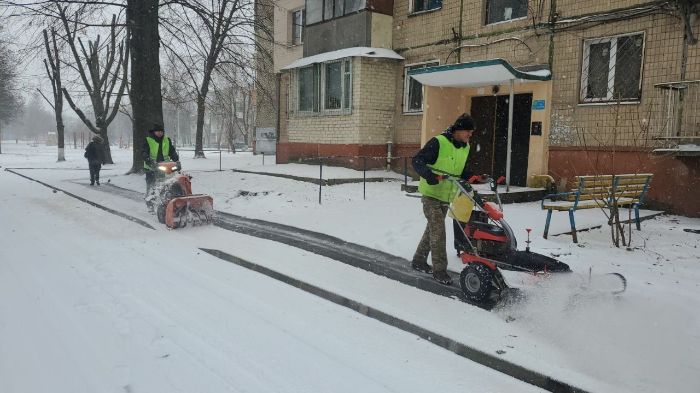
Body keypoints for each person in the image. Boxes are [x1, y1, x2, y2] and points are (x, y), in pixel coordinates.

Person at [411, 113, 481, 285]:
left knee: (432, 230)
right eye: (468, 131)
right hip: (430, 194)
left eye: (471, 132)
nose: (470, 135)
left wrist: (473, 177)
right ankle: (439, 270)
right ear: (457, 129)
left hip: (446, 195)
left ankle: (418, 261)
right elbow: (417, 161)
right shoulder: (438, 142)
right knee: (439, 232)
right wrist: (429, 175)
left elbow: (459, 171)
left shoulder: (465, 147)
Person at [142, 124, 180, 200]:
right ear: (154, 132)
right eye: (157, 131)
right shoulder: (148, 140)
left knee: (170, 182)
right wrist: (148, 159)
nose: (159, 133)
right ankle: (150, 200)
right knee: (152, 185)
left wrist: (176, 158)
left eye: (161, 131)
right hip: (151, 166)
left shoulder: (167, 140)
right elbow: (144, 152)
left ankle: (171, 197)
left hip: (165, 165)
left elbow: (171, 151)